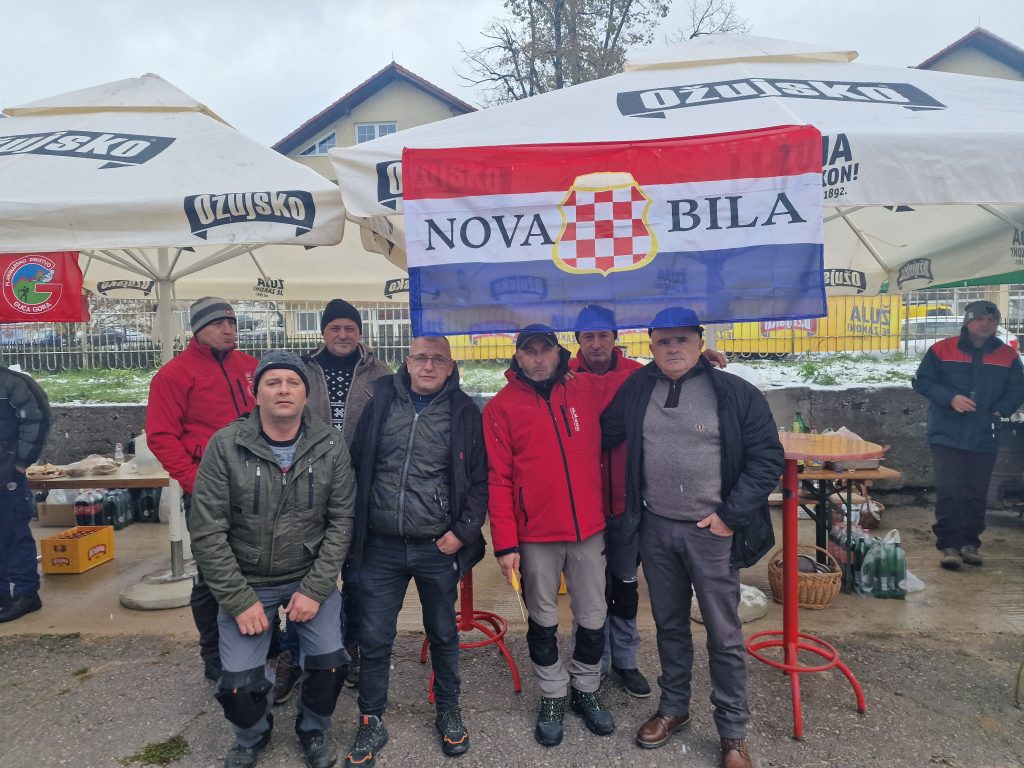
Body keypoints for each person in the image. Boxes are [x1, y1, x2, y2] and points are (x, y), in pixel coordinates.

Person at [601, 307, 784, 768]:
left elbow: (767, 458)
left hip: (712, 532)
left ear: (700, 344)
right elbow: (606, 428)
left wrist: (729, 517)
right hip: (656, 527)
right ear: (651, 348)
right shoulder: (639, 387)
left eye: (682, 339)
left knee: (723, 634)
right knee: (669, 625)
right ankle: (674, 708)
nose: (673, 348)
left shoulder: (734, 393)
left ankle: (733, 733)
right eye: (663, 341)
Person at [188, 351, 355, 768]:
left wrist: (315, 589)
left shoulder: (330, 445)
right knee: (238, 686)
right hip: (247, 581)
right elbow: (207, 531)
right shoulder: (225, 445)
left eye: (293, 382)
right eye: (273, 382)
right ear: (256, 392)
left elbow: (341, 523)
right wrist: (238, 599)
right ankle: (252, 735)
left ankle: (313, 728)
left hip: (307, 576)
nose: (283, 390)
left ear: (306, 394)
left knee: (329, 665)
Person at [342, 335, 487, 767]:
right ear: (407, 362)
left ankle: (448, 709)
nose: (428, 366)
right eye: (421, 358)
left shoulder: (464, 411)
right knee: (374, 637)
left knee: (442, 633)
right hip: (380, 545)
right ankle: (371, 719)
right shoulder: (382, 400)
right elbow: (356, 462)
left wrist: (463, 532)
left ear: (450, 366)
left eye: (438, 359)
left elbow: (480, 479)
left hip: (436, 546)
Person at [571, 304, 728, 699]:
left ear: (615, 338)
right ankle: (592, 665)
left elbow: (677, 365)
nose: (596, 344)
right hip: (583, 507)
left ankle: (625, 660)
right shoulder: (565, 378)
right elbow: (531, 373)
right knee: (589, 592)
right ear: (577, 342)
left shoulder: (637, 375)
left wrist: (702, 359)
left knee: (625, 587)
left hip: (629, 505)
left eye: (603, 335)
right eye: (588, 337)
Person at [485, 325, 618, 747]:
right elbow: (498, 479)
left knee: (593, 614)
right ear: (518, 357)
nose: (539, 358)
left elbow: (635, 378)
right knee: (542, 618)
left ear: (560, 354)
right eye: (530, 351)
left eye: (546, 349)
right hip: (535, 533)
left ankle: (585, 687)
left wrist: (703, 361)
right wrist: (506, 545)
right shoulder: (501, 407)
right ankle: (553, 693)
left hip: (588, 528)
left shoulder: (586, 389)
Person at [271, 299, 393, 705]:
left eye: (350, 328)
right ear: (323, 332)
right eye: (335, 328)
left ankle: (352, 646)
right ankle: (294, 654)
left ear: (360, 332)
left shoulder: (380, 373)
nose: (343, 334)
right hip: (307, 486)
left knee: (358, 577)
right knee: (304, 573)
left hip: (363, 488)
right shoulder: (302, 371)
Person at [146, 297, 258, 682]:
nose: (228, 329)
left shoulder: (251, 367)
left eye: (232, 323)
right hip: (208, 490)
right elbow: (161, 437)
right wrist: (196, 482)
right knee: (213, 573)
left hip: (258, 487)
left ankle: (261, 639)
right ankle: (213, 651)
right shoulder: (174, 375)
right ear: (197, 329)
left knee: (259, 566)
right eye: (217, 324)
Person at [912, 300, 1024, 571]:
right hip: (946, 433)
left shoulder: (1008, 356)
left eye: (991, 320)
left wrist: (1001, 409)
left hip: (985, 434)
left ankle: (970, 543)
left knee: (976, 491)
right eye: (979, 319)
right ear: (968, 322)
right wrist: (950, 398)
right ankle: (949, 545)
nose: (985, 324)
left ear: (997, 324)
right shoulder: (942, 349)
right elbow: (922, 381)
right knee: (950, 490)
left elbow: (1018, 388)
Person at [0, 364, 51, 623]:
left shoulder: (13, 383)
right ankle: (3, 595)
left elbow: (38, 418)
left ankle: (25, 593)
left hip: (8, 474)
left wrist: (20, 462)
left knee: (13, 533)